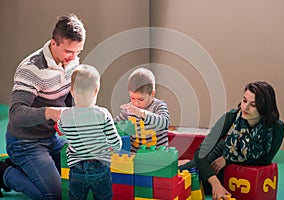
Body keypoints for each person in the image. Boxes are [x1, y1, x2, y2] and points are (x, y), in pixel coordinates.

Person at [0, 14, 86, 199]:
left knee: (82, 180)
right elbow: (15, 114)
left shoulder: (72, 63)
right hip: (24, 142)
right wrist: (49, 112)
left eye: (77, 52)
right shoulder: (32, 69)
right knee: (54, 195)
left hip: (51, 138)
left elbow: (69, 98)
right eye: (69, 52)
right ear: (53, 43)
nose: (73, 58)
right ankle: (5, 173)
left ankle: (20, 166)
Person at [179, 81, 284, 200]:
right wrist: (216, 184)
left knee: (203, 183)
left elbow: (264, 160)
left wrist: (228, 159)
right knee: (186, 175)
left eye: (253, 105)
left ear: (264, 108)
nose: (245, 107)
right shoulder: (230, 117)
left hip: (235, 162)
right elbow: (200, 154)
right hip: (222, 151)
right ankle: (185, 163)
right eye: (244, 100)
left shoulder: (276, 128)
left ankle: (187, 163)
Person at [57, 64, 122, 200]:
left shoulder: (65, 116)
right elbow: (116, 142)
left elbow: (61, 130)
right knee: (103, 196)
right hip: (100, 166)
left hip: (76, 169)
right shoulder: (102, 114)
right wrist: (114, 149)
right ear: (96, 90)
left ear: (72, 91)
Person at [114, 67, 170, 153]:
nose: (136, 103)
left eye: (140, 100)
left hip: (158, 155)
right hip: (136, 154)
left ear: (152, 93)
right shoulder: (130, 109)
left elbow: (165, 123)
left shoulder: (158, 106)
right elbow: (115, 123)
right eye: (132, 98)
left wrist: (142, 113)